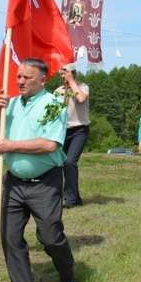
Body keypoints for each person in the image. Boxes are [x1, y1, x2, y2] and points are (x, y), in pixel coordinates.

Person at [0, 58, 75, 282]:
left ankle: (67, 272)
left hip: (45, 183)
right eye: (18, 77)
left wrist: (11, 146)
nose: (21, 82)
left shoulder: (54, 104)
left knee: (49, 237)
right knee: (10, 238)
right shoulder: (11, 104)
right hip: (14, 184)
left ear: (43, 79)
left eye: (27, 77)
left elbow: (49, 145)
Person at [54, 63, 90, 209]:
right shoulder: (58, 91)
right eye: (62, 74)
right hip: (63, 131)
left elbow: (81, 99)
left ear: (74, 73)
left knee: (70, 162)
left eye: (66, 73)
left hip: (80, 130)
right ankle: (74, 197)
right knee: (60, 164)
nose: (63, 77)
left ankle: (70, 199)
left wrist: (71, 82)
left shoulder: (83, 87)